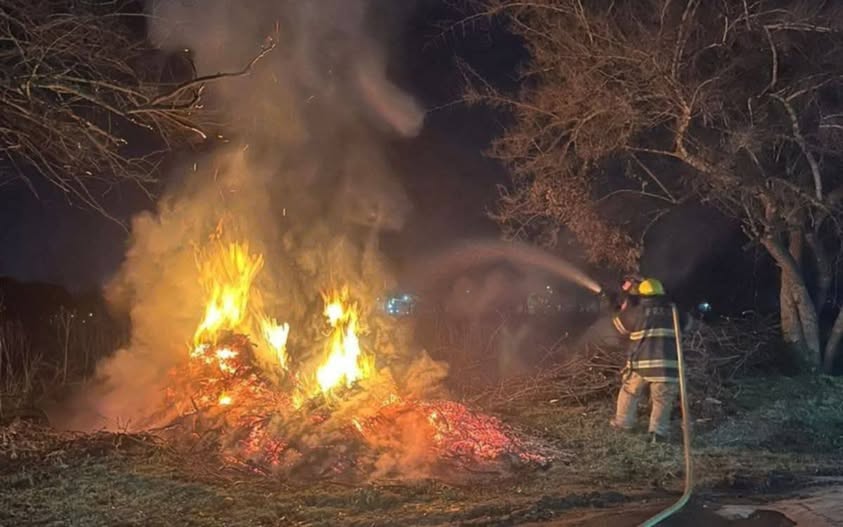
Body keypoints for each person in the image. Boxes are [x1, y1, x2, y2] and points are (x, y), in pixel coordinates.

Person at [609, 277, 685, 443]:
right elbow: (690, 326)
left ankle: (623, 424)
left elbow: (618, 325)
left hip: (639, 365)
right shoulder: (674, 311)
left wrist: (625, 300)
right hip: (668, 366)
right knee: (662, 400)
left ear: (642, 295)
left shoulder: (637, 312)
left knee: (629, 392)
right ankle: (657, 434)